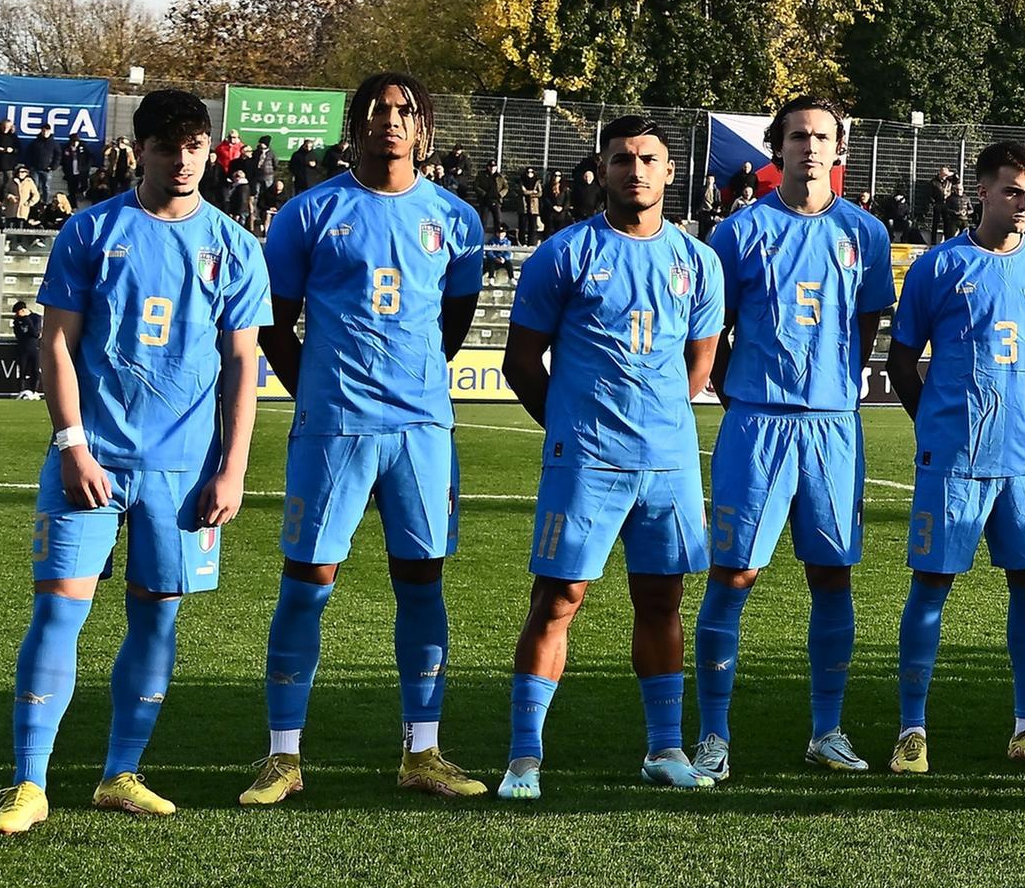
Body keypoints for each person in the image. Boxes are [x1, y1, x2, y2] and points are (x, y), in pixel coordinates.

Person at [0, 93, 269, 836]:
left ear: (211, 152)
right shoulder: (91, 231)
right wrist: (72, 442)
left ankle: (120, 773)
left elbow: (244, 365)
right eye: (167, 146)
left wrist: (233, 467)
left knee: (157, 621)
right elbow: (55, 343)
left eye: (196, 147)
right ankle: (27, 783)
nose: (183, 161)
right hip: (92, 461)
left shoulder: (236, 246)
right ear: (138, 149)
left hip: (183, 475)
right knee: (58, 610)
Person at [245, 76, 491, 807]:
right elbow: (272, 324)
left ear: (425, 128)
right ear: (354, 127)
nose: (390, 121)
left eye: (404, 111)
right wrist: (320, 391)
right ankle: (282, 755)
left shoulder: (457, 218)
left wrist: (409, 384)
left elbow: (454, 321)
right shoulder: (307, 214)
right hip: (334, 427)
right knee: (307, 582)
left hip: (420, 429)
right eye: (376, 112)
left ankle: (424, 750)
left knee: (422, 581)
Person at [495, 114, 727, 798]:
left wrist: (657, 427)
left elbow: (699, 363)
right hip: (586, 461)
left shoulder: (698, 261)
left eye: (648, 158)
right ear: (602, 168)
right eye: (622, 158)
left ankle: (664, 748)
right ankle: (524, 757)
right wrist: (571, 428)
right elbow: (520, 362)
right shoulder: (565, 253)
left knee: (663, 599)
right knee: (559, 598)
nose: (636, 169)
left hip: (669, 464)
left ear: (669, 170)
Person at [693, 99, 893, 781]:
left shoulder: (864, 232)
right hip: (758, 420)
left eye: (822, 135)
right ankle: (713, 737)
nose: (810, 145)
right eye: (799, 135)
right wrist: (737, 386)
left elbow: (865, 326)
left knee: (832, 574)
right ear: (778, 145)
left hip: (835, 426)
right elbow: (713, 331)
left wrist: (833, 384)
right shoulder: (739, 231)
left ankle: (827, 731)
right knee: (735, 573)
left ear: (840, 147)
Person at [885, 143, 1025, 775]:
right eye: (1011, 191)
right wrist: (942, 425)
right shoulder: (939, 267)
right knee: (932, 585)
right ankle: (911, 730)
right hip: (954, 460)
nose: (1024, 204)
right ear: (982, 192)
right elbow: (901, 362)